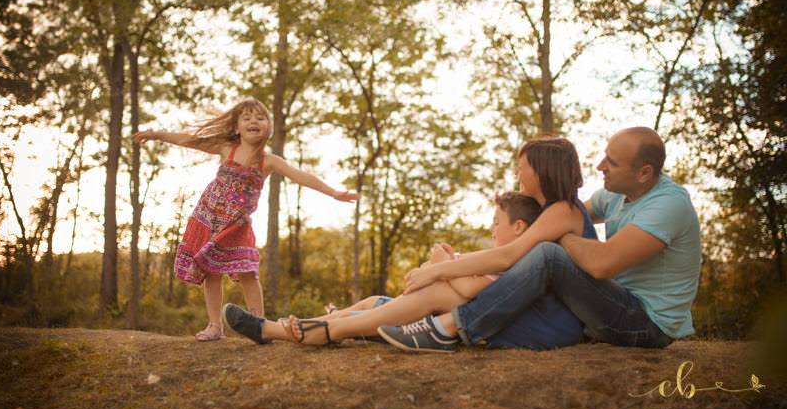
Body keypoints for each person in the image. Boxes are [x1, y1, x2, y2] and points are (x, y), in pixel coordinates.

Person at [222, 137, 596, 349]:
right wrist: (446, 267)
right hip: (515, 310)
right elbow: (500, 265)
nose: (517, 172)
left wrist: (441, 269)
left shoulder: (560, 211)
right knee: (376, 303)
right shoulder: (543, 214)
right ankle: (275, 329)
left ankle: (327, 331)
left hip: (541, 321)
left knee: (433, 293)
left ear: (542, 169)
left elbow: (503, 260)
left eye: (522, 166)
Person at [378, 127, 701, 353]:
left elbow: (602, 263)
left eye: (611, 163)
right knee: (542, 250)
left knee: (548, 253)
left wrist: (557, 235)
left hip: (646, 323)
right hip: (613, 305)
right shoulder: (616, 194)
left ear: (644, 173)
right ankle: (414, 319)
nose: (600, 166)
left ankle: (449, 329)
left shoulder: (668, 206)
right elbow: (564, 213)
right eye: (604, 156)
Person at [132, 98, 358, 341]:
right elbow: (189, 140)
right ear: (236, 127)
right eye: (247, 117)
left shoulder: (268, 161)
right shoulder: (225, 147)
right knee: (210, 271)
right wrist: (156, 134)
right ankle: (215, 326)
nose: (254, 121)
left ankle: (260, 325)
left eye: (260, 118)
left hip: (237, 224)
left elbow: (302, 176)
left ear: (268, 127)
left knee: (248, 271)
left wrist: (334, 193)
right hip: (210, 216)